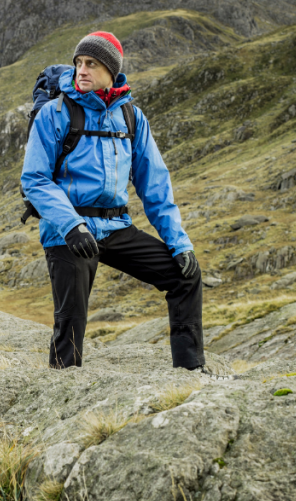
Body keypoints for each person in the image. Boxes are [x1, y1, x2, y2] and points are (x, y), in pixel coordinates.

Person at [21, 31, 225, 378]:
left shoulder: (131, 117)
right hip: (69, 232)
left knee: (185, 276)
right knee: (71, 322)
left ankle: (191, 371)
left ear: (111, 71)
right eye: (78, 63)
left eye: (92, 64)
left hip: (116, 228)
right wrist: (71, 225)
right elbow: (35, 180)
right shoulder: (54, 114)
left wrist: (179, 243)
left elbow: (155, 186)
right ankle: (59, 393)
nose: (81, 71)